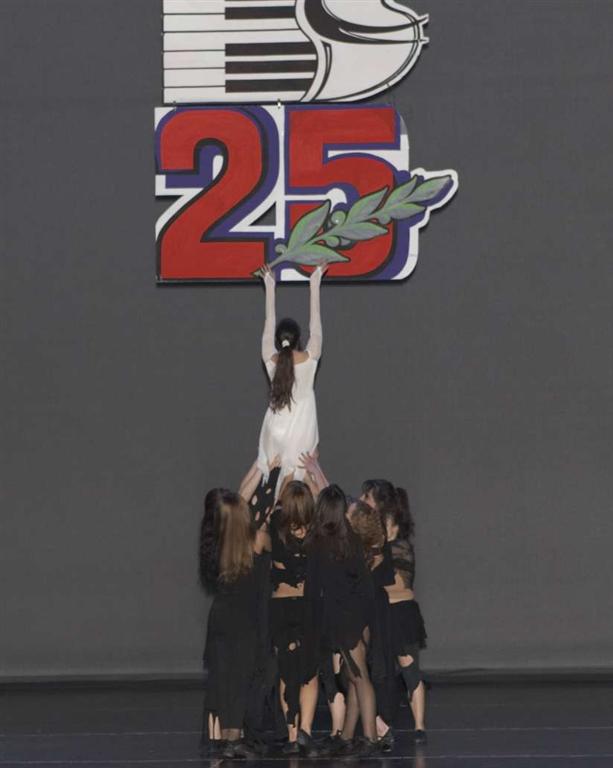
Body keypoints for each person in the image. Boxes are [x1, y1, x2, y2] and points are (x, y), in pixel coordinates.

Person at [304, 485, 380, 757]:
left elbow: (312, 590)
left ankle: (370, 738)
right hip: (357, 617)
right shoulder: (351, 541)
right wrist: (363, 620)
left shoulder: (318, 543)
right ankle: (348, 736)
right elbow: (365, 585)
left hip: (343, 620)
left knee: (359, 678)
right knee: (354, 677)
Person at [199, 488, 271, 759]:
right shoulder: (254, 541)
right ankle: (233, 738)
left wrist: (262, 467)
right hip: (243, 621)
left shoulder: (218, 543)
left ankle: (226, 738)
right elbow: (242, 502)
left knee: (224, 678)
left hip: (221, 619)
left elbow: (237, 502)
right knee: (239, 678)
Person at [362, 480, 428, 745]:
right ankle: (382, 724)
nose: (363, 501)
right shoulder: (374, 542)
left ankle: (419, 726)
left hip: (401, 614)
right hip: (381, 614)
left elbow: (401, 583)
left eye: (368, 497)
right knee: (379, 672)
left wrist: (373, 576)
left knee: (409, 670)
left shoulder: (400, 545)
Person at [257, 264, 326, 498]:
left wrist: (269, 283)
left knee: (278, 493)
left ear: (278, 341)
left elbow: (269, 324)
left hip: (277, 435)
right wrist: (315, 279)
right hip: (302, 435)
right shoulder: (311, 356)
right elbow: (316, 326)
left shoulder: (270, 358)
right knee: (309, 492)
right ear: (299, 339)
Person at [269, 481, 319, 755]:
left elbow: (274, 504)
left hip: (282, 605)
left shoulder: (277, 526)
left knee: (287, 670)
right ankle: (306, 731)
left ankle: (291, 733)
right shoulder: (315, 530)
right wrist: (312, 476)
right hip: (308, 605)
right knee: (309, 670)